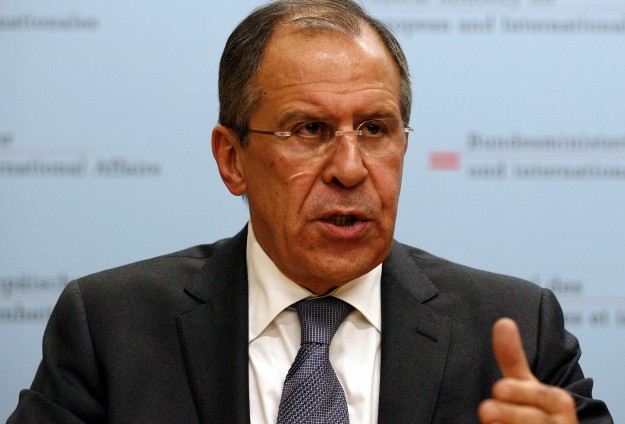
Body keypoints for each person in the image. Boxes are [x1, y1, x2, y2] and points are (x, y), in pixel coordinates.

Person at [8, 0, 613, 423]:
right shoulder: (111, 328)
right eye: (309, 129)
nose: (350, 168)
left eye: (374, 129)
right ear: (232, 159)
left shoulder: (516, 331)